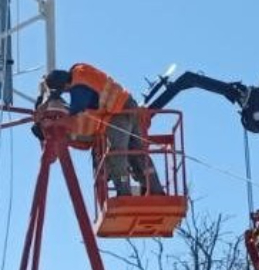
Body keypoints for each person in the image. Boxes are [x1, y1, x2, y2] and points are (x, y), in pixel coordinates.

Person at [35, 64, 164, 197]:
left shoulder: (79, 88)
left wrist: (55, 121)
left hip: (118, 114)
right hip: (129, 106)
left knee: (116, 155)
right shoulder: (79, 70)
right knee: (137, 153)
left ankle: (124, 192)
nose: (66, 93)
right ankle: (155, 190)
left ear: (65, 86)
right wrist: (47, 102)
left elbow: (76, 109)